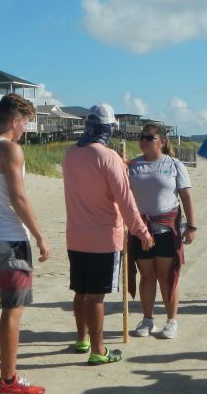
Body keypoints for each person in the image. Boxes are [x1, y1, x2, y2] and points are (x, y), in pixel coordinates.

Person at [0, 94, 50, 394]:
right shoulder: (10, 149)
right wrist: (40, 236)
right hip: (9, 238)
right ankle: (8, 380)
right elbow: (18, 198)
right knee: (13, 310)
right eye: (25, 123)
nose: (25, 130)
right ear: (15, 121)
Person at [62, 103, 153, 364]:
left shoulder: (70, 154)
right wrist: (141, 231)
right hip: (103, 238)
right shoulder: (108, 157)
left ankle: (82, 338)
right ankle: (98, 350)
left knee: (80, 291)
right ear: (107, 128)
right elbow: (125, 200)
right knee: (96, 296)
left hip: (76, 235)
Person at [127, 123, 197, 340]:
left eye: (149, 137)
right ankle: (147, 319)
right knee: (147, 276)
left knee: (167, 276)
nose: (144, 140)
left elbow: (186, 197)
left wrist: (192, 227)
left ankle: (171, 320)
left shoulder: (174, 165)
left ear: (162, 142)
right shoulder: (132, 165)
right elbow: (123, 197)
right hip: (141, 229)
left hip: (167, 228)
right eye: (141, 137)